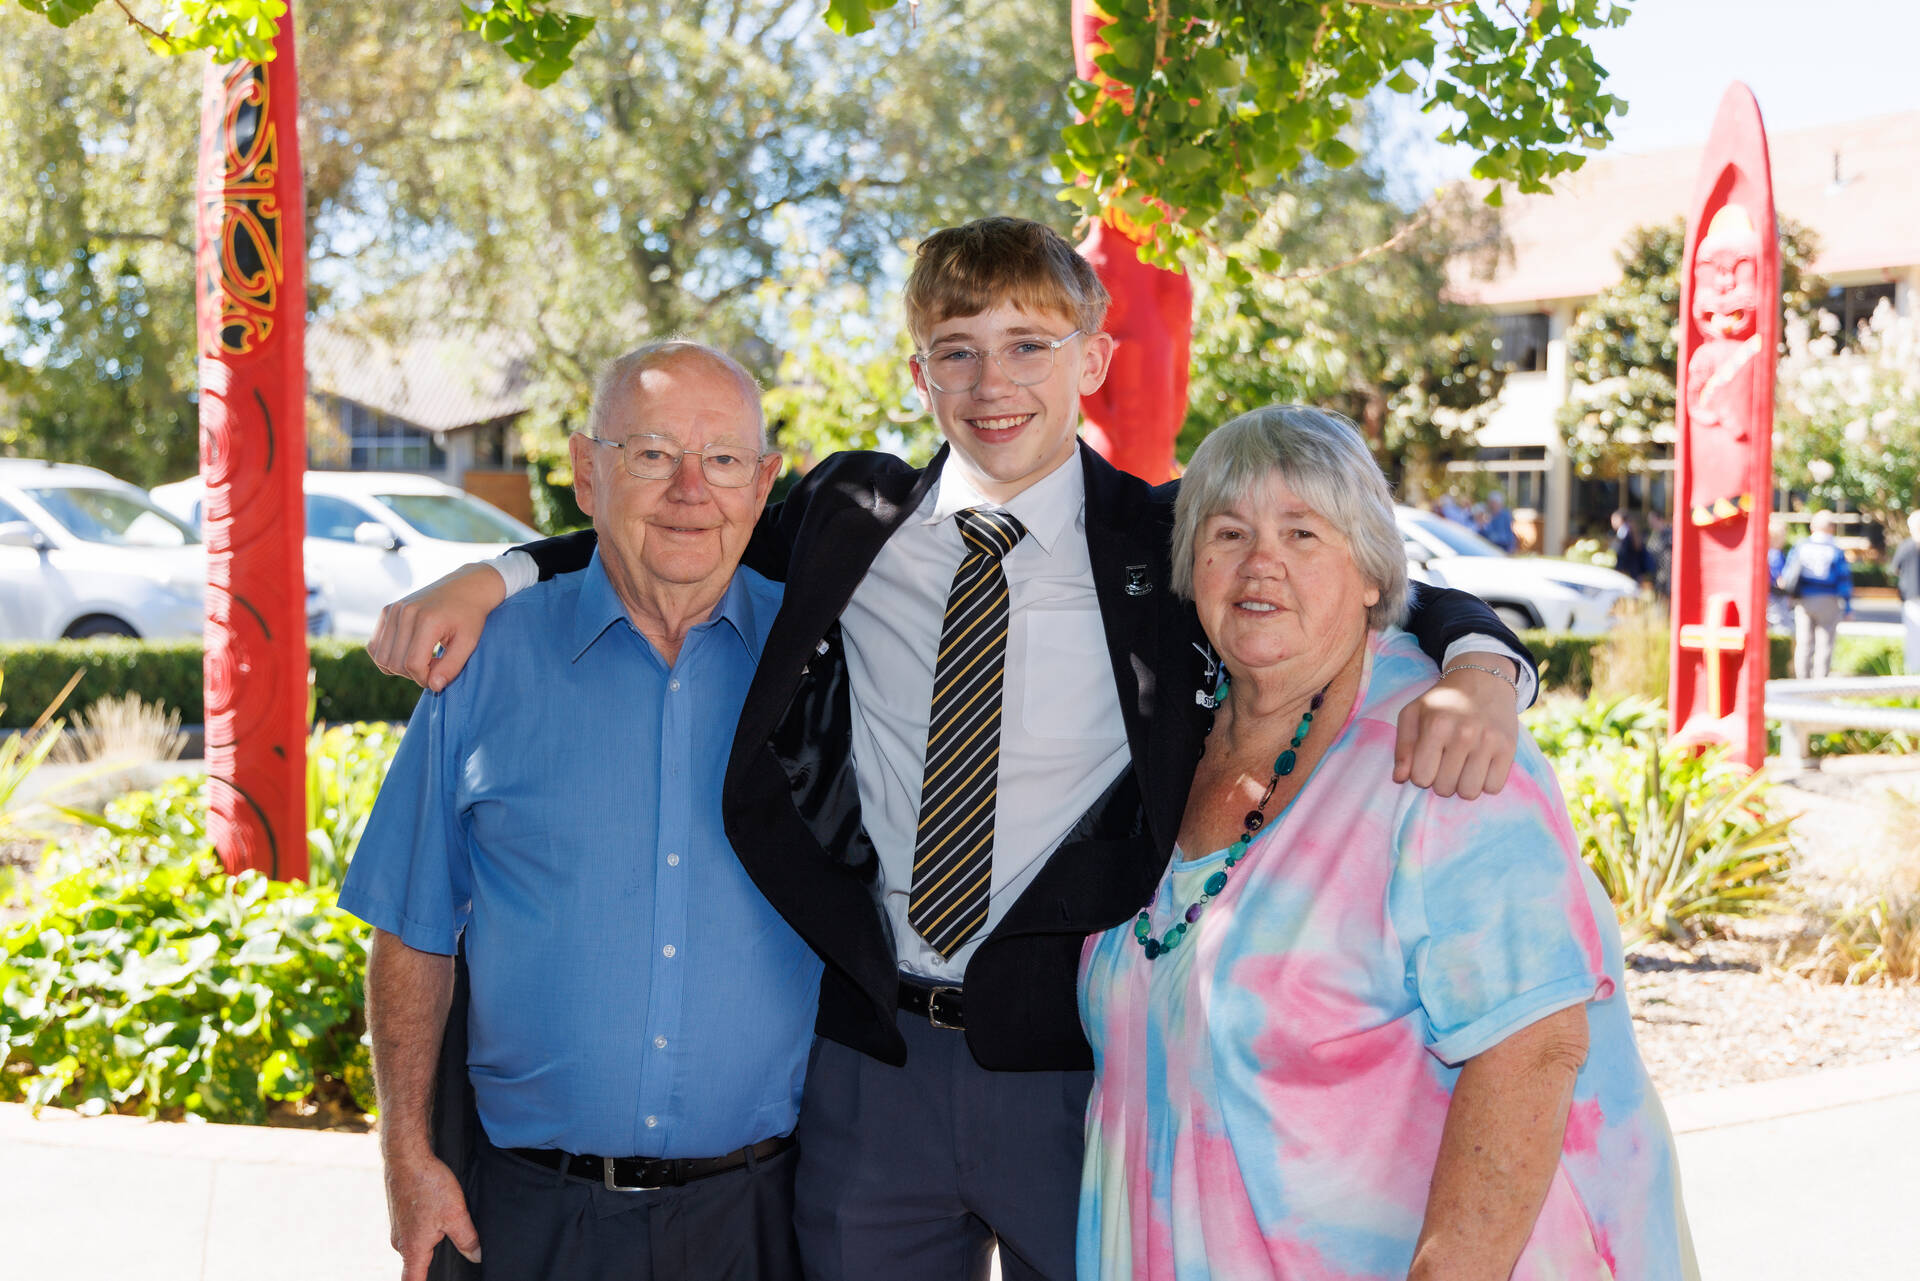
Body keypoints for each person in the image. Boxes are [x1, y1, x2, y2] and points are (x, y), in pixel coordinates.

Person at [368, 218, 1539, 1281]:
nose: (994, 383)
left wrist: (1486, 663)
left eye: (1031, 346)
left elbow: (1372, 579)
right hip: (874, 1072)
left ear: (1093, 362)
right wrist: (502, 570)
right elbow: (670, 526)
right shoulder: (847, 520)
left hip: (1070, 1070)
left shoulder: (1166, 539)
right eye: (958, 349)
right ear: (917, 373)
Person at [1077, 406, 1695, 1281]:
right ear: (1191, 564)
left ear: (1372, 572)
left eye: (1303, 532)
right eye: (1229, 532)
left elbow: (1532, 1050)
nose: (1262, 563)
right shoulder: (1167, 737)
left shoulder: (1444, 750)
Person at [340, 343, 821, 1281]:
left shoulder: (824, 659)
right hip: (525, 1221)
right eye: (649, 454)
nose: (691, 489)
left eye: (723, 459)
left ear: (763, 483)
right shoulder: (481, 663)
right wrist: (405, 1153)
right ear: (585, 473)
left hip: (758, 1223)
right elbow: (413, 929)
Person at [1781, 510, 1853, 679]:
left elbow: (1788, 574)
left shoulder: (1801, 546)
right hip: (1828, 599)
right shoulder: (1835, 550)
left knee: (1804, 642)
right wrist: (1847, 606)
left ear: (1812, 526)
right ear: (1832, 528)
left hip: (1804, 599)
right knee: (1825, 643)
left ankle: (1802, 681)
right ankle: (1820, 682)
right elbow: (1844, 580)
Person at [1895, 511, 1920, 674]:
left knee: (1914, 636)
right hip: (1911, 597)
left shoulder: (1906, 546)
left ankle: (1914, 672)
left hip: (1912, 597)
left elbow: (1896, 569)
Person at [1609, 509, 1645, 586]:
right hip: (1633, 568)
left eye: (1614, 519)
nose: (1612, 522)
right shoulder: (1630, 530)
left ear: (1620, 519)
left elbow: (1622, 551)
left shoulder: (1624, 532)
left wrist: (1619, 568)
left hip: (1628, 569)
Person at [1646, 507, 1673, 600]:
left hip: (1669, 571)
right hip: (1658, 572)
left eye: (1652, 520)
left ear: (1660, 519)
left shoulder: (1670, 533)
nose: (1650, 523)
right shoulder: (1654, 535)